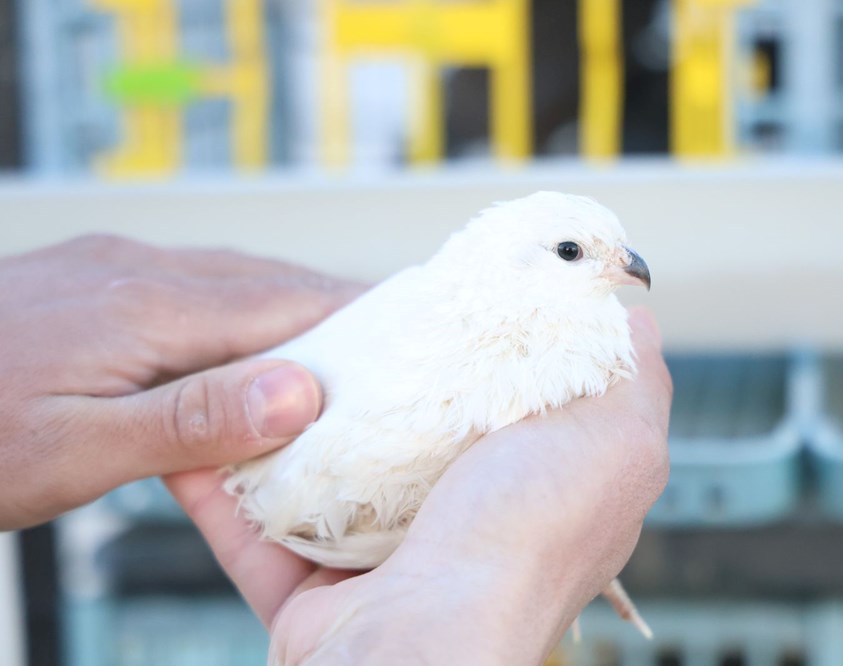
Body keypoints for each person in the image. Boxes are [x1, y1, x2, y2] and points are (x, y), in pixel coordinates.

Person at [1, 235, 672, 664]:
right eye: (573, 252)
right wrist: (489, 592)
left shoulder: (543, 346)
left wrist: (485, 587)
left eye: (615, 252)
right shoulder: (420, 403)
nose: (625, 265)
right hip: (293, 476)